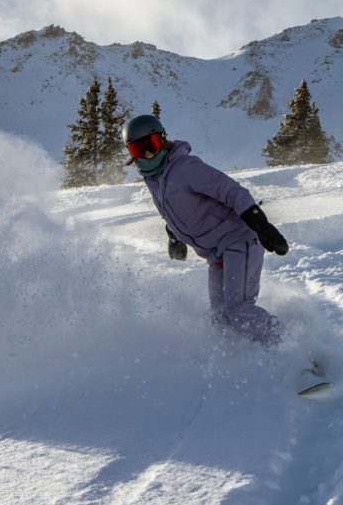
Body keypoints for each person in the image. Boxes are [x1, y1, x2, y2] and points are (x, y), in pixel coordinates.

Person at [123, 114, 289, 346]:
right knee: (220, 318)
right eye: (138, 150)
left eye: (151, 145)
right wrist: (174, 236)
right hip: (215, 254)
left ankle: (297, 351)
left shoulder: (185, 168)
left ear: (162, 140)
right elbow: (174, 210)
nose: (147, 154)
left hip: (238, 240)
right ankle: (245, 363)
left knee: (239, 310)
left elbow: (232, 192)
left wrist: (261, 225)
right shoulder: (155, 180)